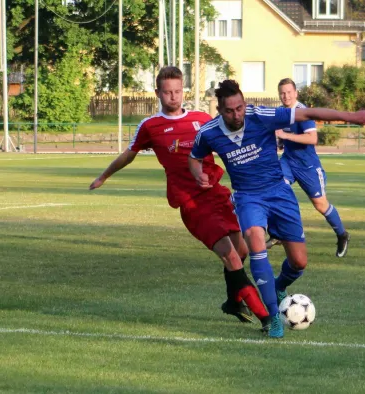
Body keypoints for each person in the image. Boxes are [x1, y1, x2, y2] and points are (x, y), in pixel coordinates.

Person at [189, 80, 365, 338]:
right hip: (248, 197)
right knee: (256, 243)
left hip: (279, 193)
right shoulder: (208, 132)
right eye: (230, 110)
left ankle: (279, 286)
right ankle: (272, 319)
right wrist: (198, 173)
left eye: (240, 107)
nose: (237, 114)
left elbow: (310, 113)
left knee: (299, 262)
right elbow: (194, 158)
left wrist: (352, 117)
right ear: (220, 110)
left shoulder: (260, 115)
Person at [89, 67, 269, 328]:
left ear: (183, 90)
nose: (173, 96)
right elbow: (129, 154)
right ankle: (267, 318)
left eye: (177, 91)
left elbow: (230, 143)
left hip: (217, 195)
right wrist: (104, 176)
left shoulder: (202, 118)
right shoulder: (150, 126)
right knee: (230, 256)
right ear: (157, 93)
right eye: (167, 92)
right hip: (191, 203)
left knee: (241, 252)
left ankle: (232, 302)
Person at [270, 78, 350, 257]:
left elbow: (312, 139)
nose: (286, 96)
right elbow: (280, 135)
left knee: (320, 205)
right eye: (282, 93)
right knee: (275, 188)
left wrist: (284, 136)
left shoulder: (303, 112)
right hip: (288, 162)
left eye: (289, 92)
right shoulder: (281, 113)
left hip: (308, 167)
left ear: (296, 93)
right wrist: (280, 140)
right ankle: (277, 233)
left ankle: (342, 234)